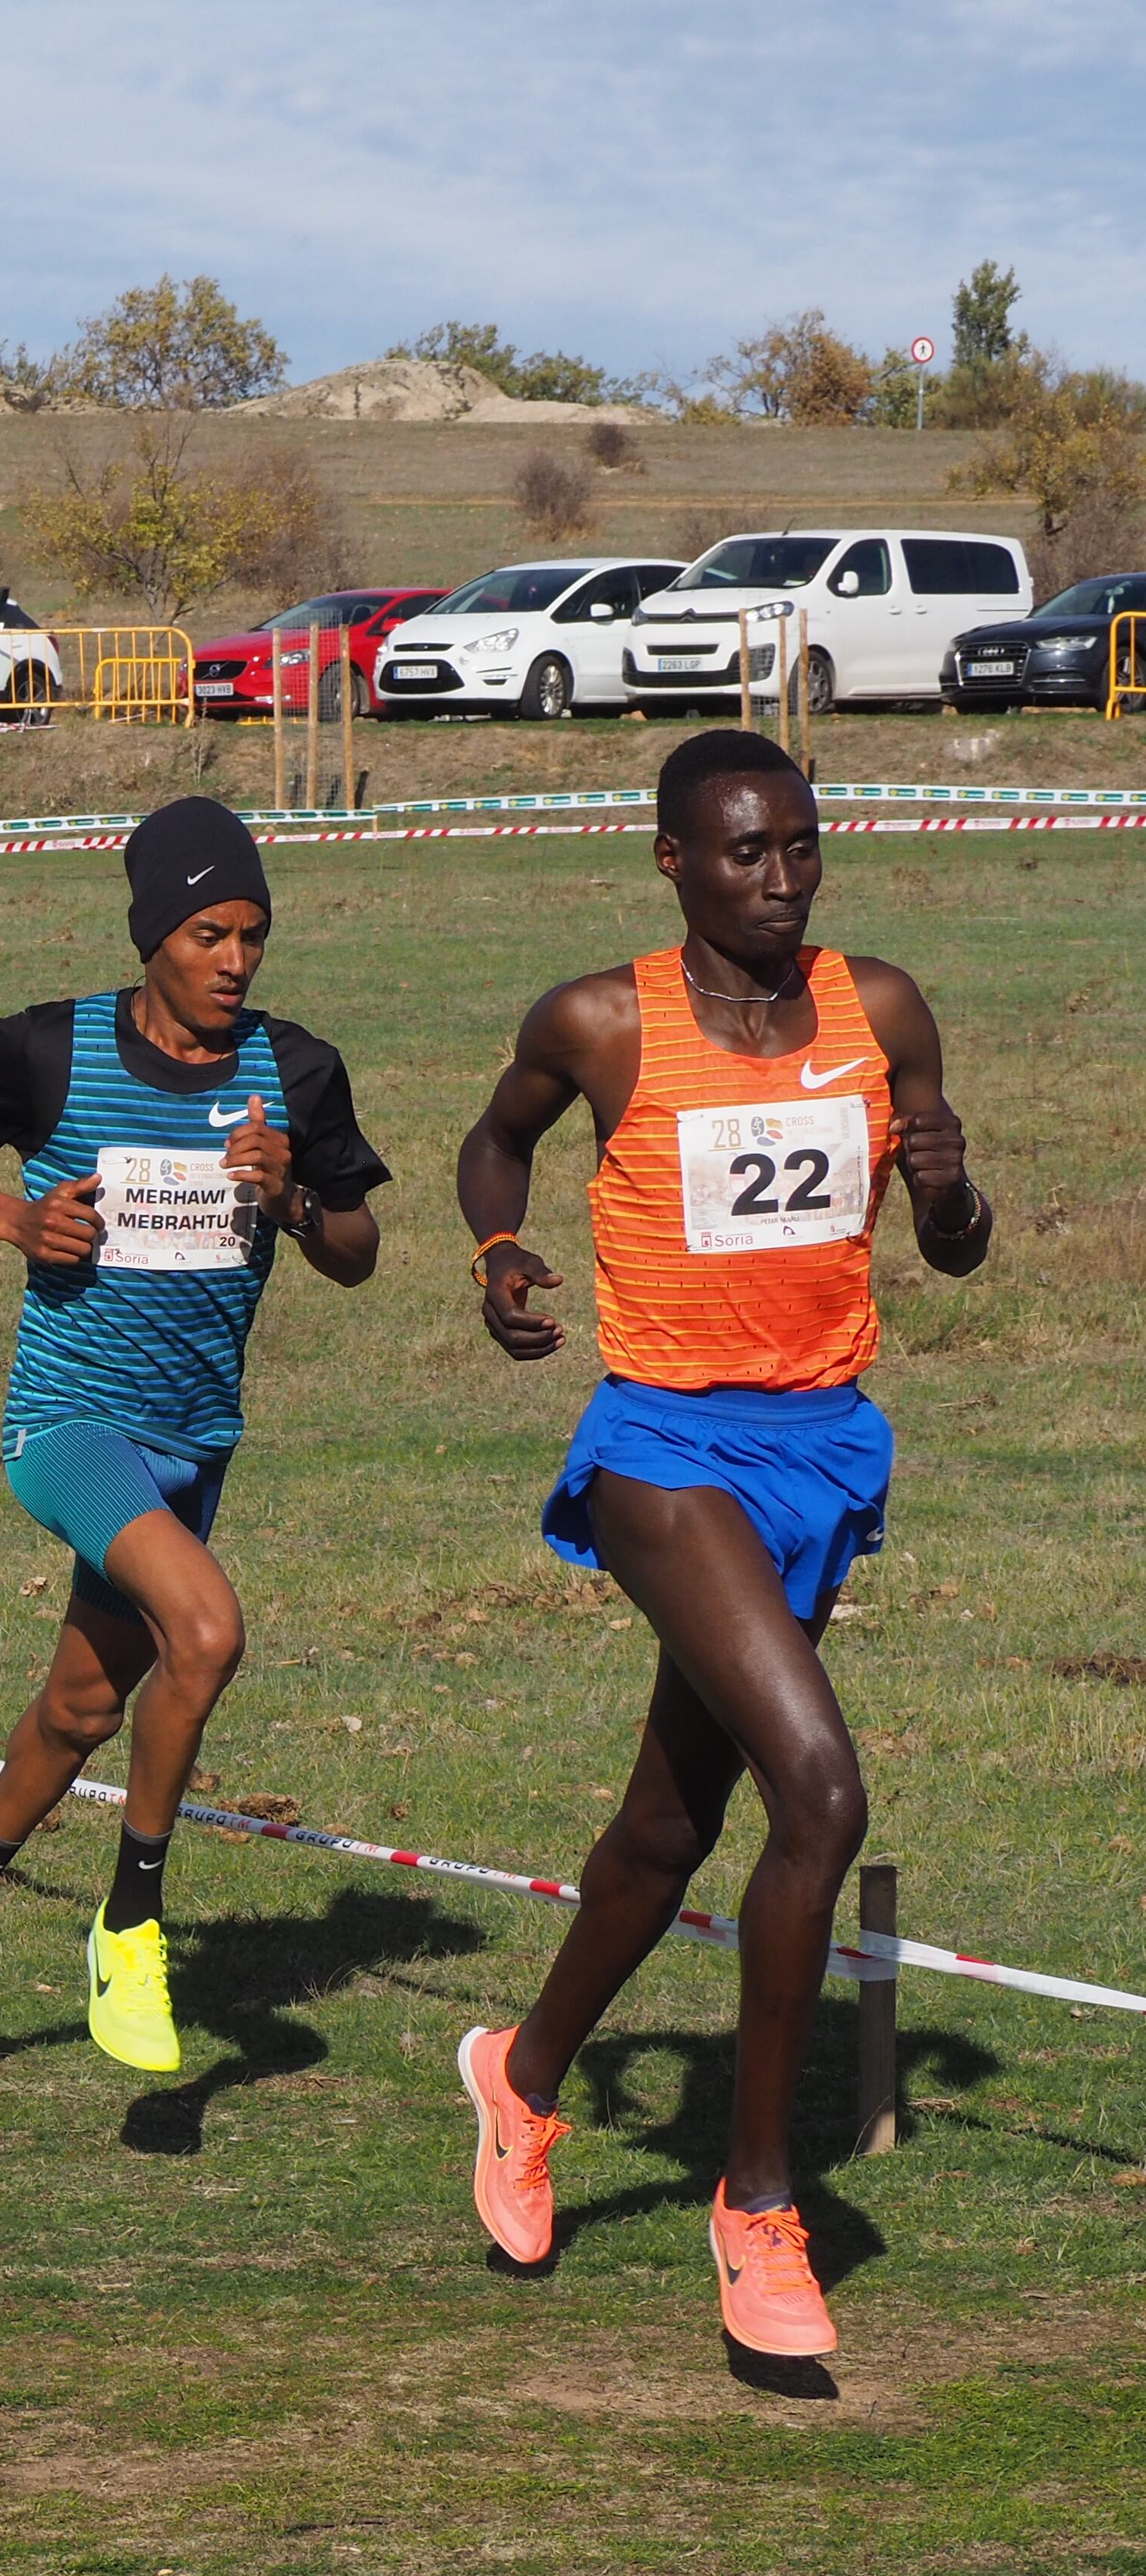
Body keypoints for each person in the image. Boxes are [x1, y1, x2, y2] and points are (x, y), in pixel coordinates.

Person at [451, 729, 989, 2359]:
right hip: (666, 1447)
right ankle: (761, 2209)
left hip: (819, 1449)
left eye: (802, 849)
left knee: (672, 1824)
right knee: (820, 1788)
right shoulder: (600, 1019)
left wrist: (954, 1194)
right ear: (673, 859)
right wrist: (495, 1246)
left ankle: (522, 2078)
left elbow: (951, 1247)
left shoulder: (880, 1008)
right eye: (746, 852)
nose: (781, 880)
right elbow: (500, 1137)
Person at [0, 795, 386, 2076]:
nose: (232, 960)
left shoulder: (293, 1070)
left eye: (252, 935)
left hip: (193, 1442)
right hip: (67, 1425)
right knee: (204, 1631)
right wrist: (10, 1220)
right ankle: (132, 1920)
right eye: (207, 931)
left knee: (79, 1712)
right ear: (152, 932)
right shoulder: (49, 1051)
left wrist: (297, 1198)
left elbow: (359, 1253)